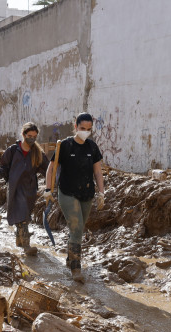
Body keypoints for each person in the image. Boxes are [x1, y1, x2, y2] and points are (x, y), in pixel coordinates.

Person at [44, 113, 105, 283]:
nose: (85, 132)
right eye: (82, 128)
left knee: (78, 229)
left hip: (86, 194)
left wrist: (101, 193)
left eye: (88, 129)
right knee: (77, 227)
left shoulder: (92, 147)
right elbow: (51, 169)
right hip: (67, 193)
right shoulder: (64, 145)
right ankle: (76, 267)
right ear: (75, 126)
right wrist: (48, 189)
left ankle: (70, 257)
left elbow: (98, 172)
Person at [0, 122, 48, 255]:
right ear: (23, 135)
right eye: (29, 136)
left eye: (34, 136)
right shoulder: (12, 150)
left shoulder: (38, 153)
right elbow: (4, 167)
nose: (32, 139)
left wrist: (53, 179)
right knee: (22, 215)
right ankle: (26, 246)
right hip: (15, 187)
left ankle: (19, 239)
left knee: (25, 215)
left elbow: (47, 169)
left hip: (30, 188)